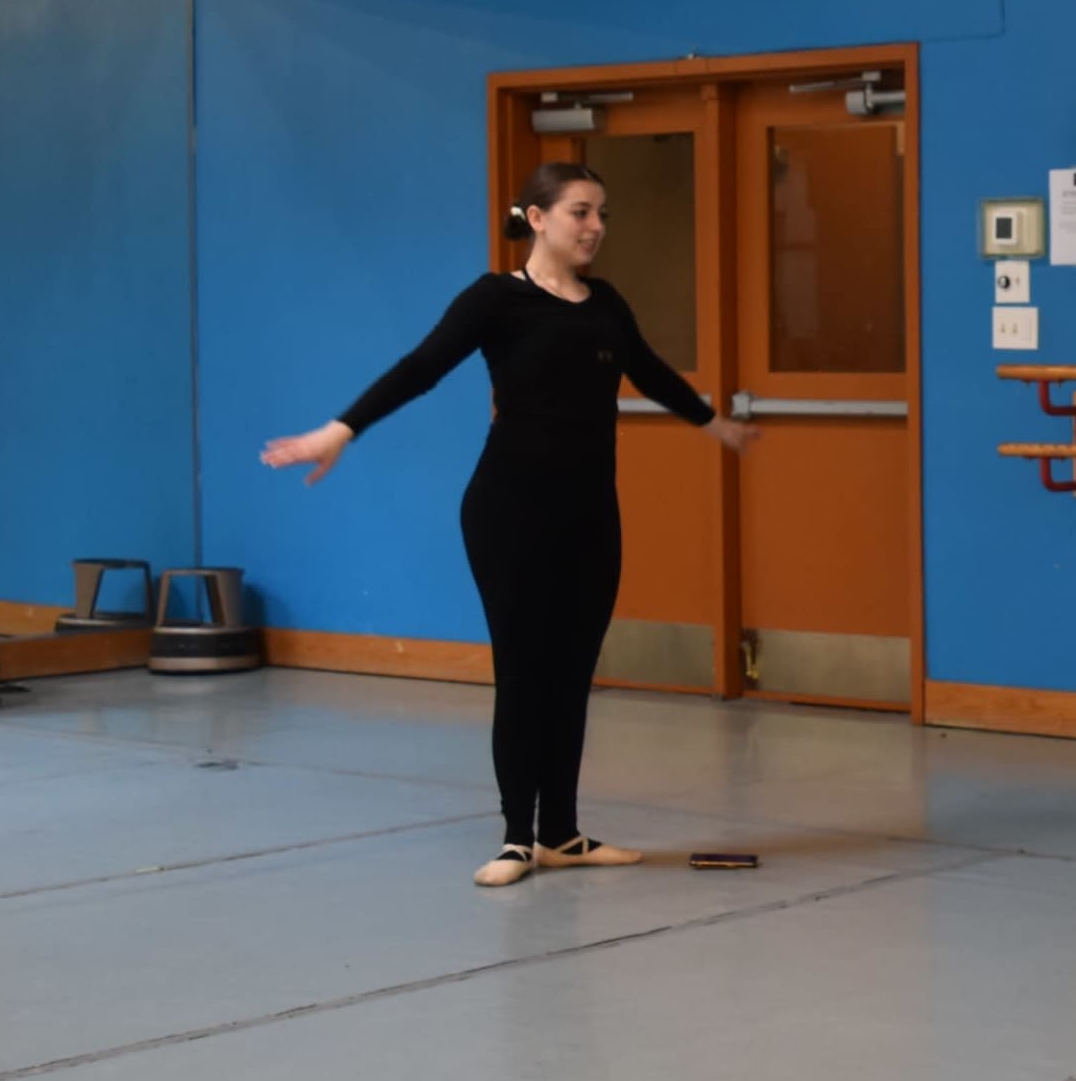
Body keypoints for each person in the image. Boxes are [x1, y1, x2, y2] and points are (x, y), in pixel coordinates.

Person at [262, 162, 755, 888]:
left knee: (572, 672)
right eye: (581, 212)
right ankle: (517, 836)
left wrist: (716, 423)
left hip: (591, 514)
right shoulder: (496, 299)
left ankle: (562, 830)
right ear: (537, 217)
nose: (595, 227)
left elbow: (647, 372)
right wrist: (342, 429)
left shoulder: (606, 303)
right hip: (509, 511)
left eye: (602, 214)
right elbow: (420, 367)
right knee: (524, 671)